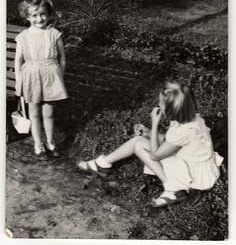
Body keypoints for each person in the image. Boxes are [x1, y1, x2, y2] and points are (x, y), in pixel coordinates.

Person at [77, 82, 223, 208]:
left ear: (171, 109)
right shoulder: (193, 119)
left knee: (139, 145)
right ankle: (103, 164)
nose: (158, 105)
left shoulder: (184, 130)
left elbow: (155, 155)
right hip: (200, 166)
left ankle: (173, 189)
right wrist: (148, 133)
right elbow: (170, 141)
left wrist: (154, 125)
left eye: (161, 103)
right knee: (139, 141)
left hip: (195, 175)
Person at [14, 0, 68, 160]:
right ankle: (38, 144)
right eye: (35, 15)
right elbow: (18, 61)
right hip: (31, 78)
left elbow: (62, 59)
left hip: (51, 78)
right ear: (27, 17)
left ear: (48, 14)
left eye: (43, 14)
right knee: (34, 113)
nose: (39, 19)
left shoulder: (54, 34)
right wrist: (18, 81)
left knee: (49, 112)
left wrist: (60, 77)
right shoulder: (23, 37)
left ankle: (50, 142)